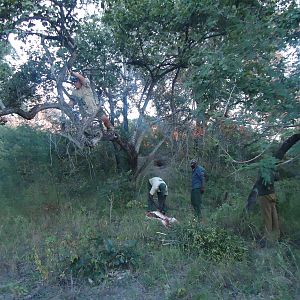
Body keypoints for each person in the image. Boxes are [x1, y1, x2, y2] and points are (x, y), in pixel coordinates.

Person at [255, 170, 280, 245]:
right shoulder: (272, 167)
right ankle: (276, 237)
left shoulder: (264, 168)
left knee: (267, 217)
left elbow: (261, 181)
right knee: (274, 215)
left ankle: (268, 239)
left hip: (265, 195)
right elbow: (277, 178)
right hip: (272, 194)